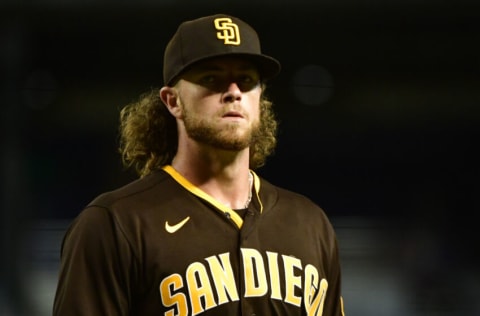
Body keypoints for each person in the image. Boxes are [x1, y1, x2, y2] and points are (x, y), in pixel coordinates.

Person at [53, 13, 346, 316]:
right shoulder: (115, 225)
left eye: (246, 80)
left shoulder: (310, 224)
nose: (234, 91)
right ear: (172, 101)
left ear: (260, 98)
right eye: (211, 79)